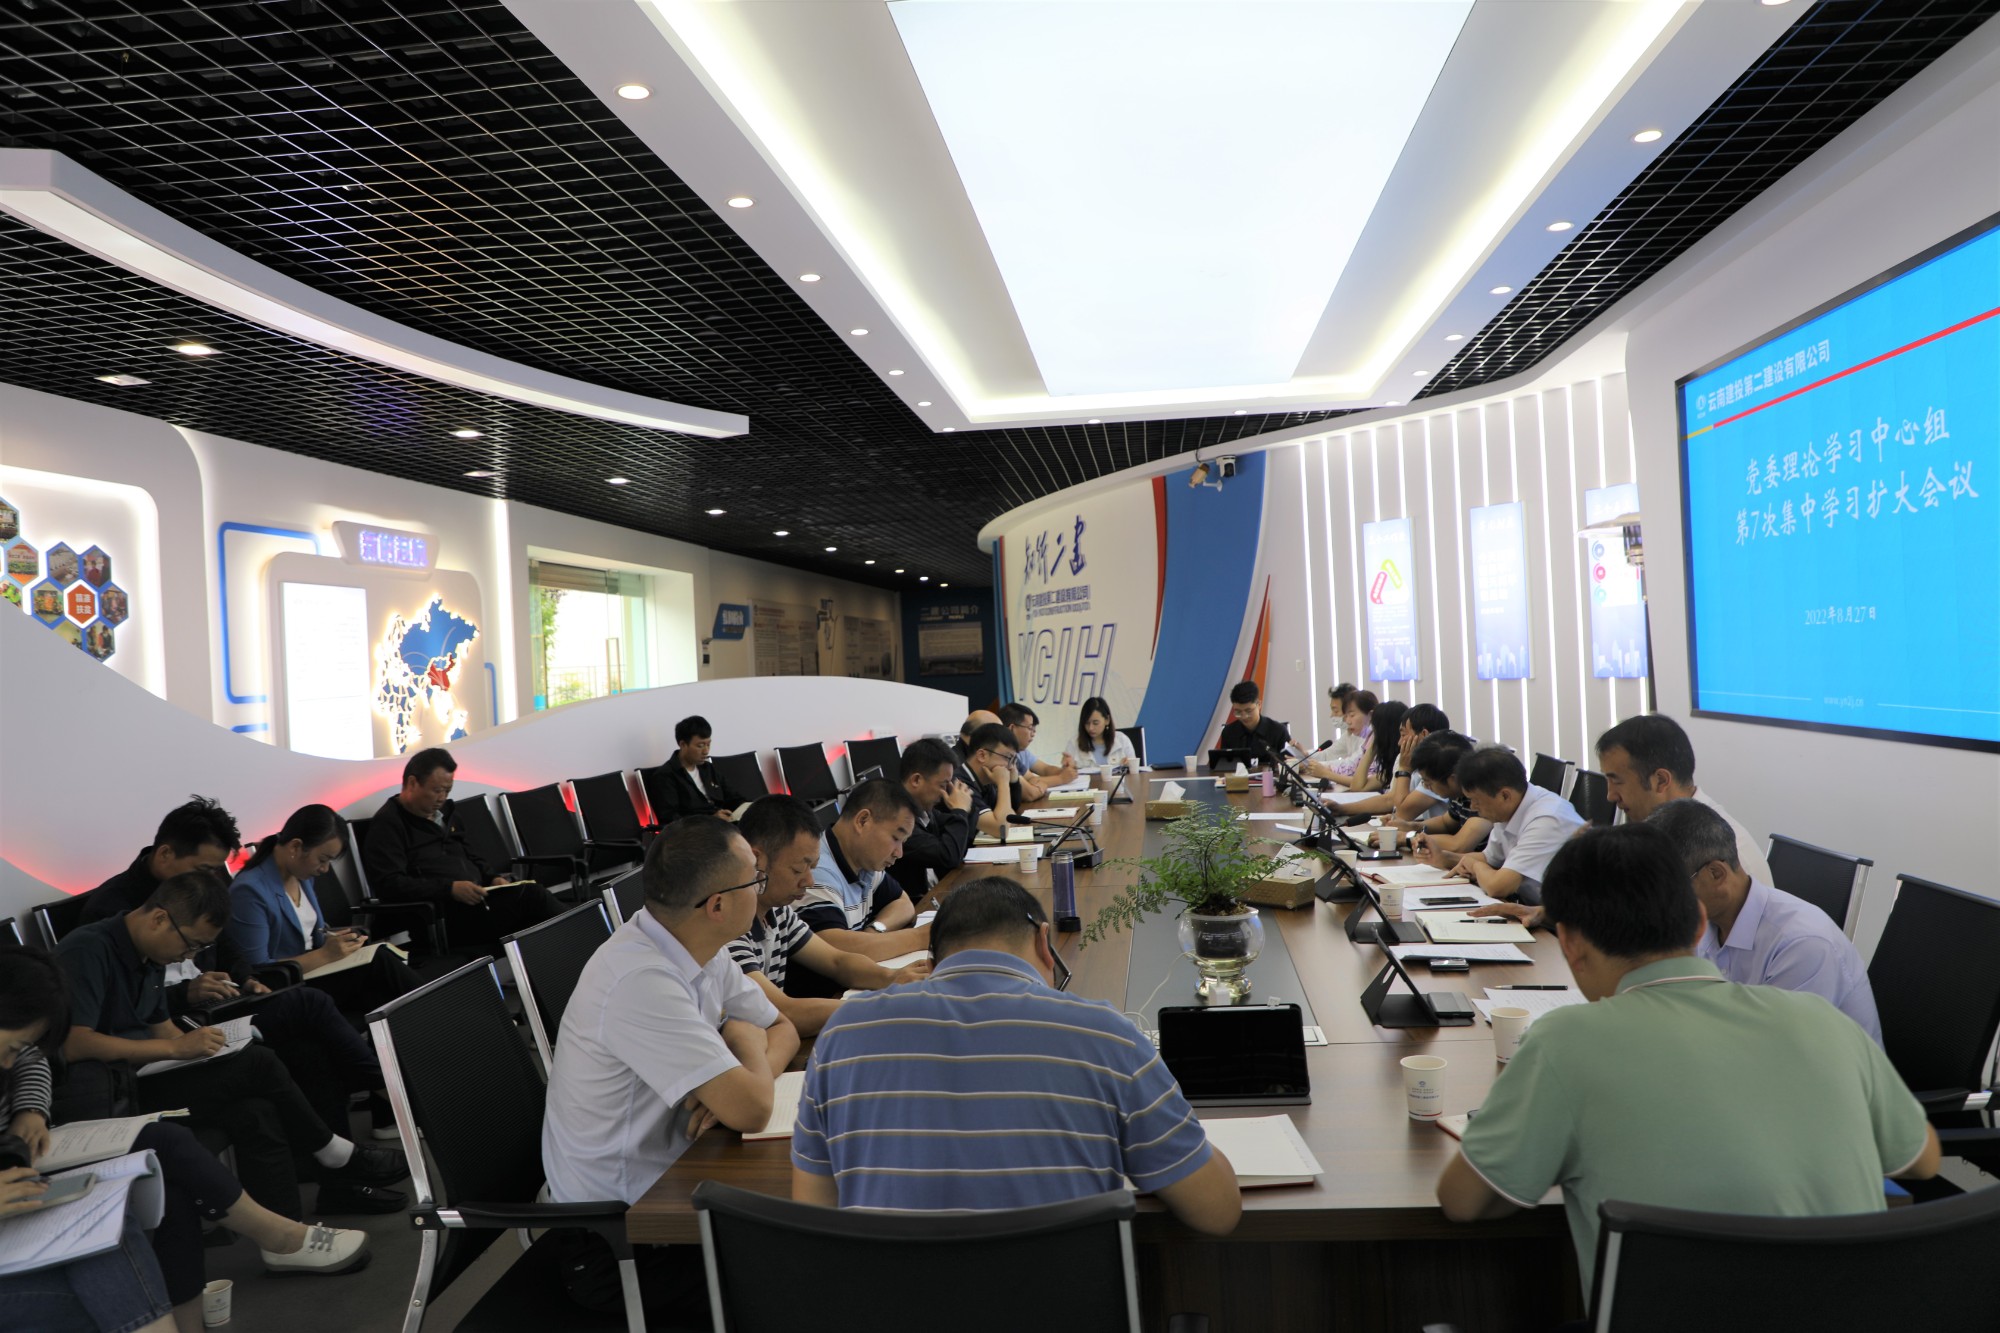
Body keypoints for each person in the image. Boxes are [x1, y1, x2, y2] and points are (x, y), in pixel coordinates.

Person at [1435, 825, 1938, 1295]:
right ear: (1700, 923)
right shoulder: (1821, 1019)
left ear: (1568, 942)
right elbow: (1923, 1160)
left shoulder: (1563, 1042)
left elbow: (1462, 1201)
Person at [791, 877, 1241, 1233]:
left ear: (931, 960)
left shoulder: (843, 1035)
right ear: (1045, 943)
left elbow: (815, 1218)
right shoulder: (1105, 1036)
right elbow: (1218, 1213)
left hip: (890, 1306)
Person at [2, 946, 369, 1332]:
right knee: (164, 1146)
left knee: (171, 1186)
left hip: (24, 1160)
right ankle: (283, 1234)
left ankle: (195, 1317)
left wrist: (30, 1109)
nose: (8, 1064)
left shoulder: (17, 1046)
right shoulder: (92, 951)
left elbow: (29, 1058)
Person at [542, 819, 799, 1320]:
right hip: (620, 1240)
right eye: (755, 879)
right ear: (717, 905)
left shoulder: (694, 943)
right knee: (805, 1273)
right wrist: (745, 1045)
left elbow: (781, 1026)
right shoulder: (640, 979)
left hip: (678, 1179)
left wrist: (746, 1069)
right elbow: (752, 1108)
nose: (762, 888)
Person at [53, 875, 409, 1222]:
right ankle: (335, 1152)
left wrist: (207, 1047)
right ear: (160, 919)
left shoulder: (150, 955)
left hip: (143, 1075)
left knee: (264, 1099)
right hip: (110, 1093)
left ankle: (288, 1234)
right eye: (191, 945)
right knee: (259, 1062)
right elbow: (74, 1043)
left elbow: (162, 1027)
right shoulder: (88, 950)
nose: (187, 956)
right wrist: (176, 1050)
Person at [77, 798, 402, 1152]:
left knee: (309, 1049)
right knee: (309, 1004)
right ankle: (392, 1096)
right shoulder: (112, 913)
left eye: (216, 870)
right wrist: (185, 995)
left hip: (215, 1003)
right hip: (182, 1018)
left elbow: (226, 942)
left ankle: (341, 1161)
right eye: (204, 868)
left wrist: (245, 977)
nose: (211, 879)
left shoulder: (202, 883)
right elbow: (124, 1011)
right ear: (166, 854)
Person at [1649, 799, 1881, 1041]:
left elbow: (1773, 1049)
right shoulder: (1706, 920)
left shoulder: (1803, 946)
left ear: (1716, 874)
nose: (1661, 901)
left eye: (1669, 888)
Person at [730, 797, 930, 1036]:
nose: (809, 881)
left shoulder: (778, 911)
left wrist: (891, 978)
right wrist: (881, 1006)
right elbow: (784, 1011)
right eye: (798, 869)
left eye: (812, 868)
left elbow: (837, 961)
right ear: (756, 860)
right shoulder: (730, 929)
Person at [362, 747, 564, 953]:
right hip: (442, 919)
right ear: (413, 783)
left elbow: (471, 854)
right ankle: (582, 938)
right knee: (533, 897)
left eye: (447, 791)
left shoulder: (447, 814)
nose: (442, 798)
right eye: (436, 790)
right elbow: (390, 885)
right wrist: (449, 889)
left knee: (537, 924)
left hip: (479, 903)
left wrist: (492, 878)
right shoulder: (389, 825)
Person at [227, 804, 420, 1017]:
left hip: (317, 972)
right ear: (295, 847)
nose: (325, 869)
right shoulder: (249, 890)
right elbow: (257, 971)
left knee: (382, 988)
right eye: (323, 860)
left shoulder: (301, 875)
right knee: (381, 966)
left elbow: (311, 934)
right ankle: (436, 1013)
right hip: (287, 987)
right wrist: (326, 954)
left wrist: (338, 940)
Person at [1595, 714, 1773, 884]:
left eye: (1617, 781)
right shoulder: (1650, 828)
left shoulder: (1727, 855)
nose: (1610, 796)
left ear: (1661, 781)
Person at [1417, 748, 1583, 905]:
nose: (1473, 807)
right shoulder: (1509, 808)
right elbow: (1490, 859)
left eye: (1476, 800)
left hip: (1568, 918)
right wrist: (1443, 857)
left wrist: (1475, 866)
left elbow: (1498, 887)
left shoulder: (1547, 818)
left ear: (1504, 795)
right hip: (1533, 909)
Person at [796, 779, 931, 969]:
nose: (899, 853)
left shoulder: (863, 861)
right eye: (895, 838)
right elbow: (836, 949)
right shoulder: (816, 871)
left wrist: (875, 931)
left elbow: (903, 903)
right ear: (862, 821)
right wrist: (920, 937)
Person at [886, 739, 975, 902]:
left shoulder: (923, 809)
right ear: (916, 780)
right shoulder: (897, 818)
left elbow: (966, 837)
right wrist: (960, 811)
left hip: (934, 893)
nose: (946, 792)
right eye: (943, 785)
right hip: (916, 904)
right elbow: (948, 855)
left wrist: (963, 809)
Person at [1332, 702, 1452, 818]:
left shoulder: (1439, 767)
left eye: (1403, 735)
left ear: (1424, 734)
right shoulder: (1411, 760)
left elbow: (1401, 811)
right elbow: (1390, 799)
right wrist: (1341, 808)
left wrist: (1404, 769)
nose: (1399, 742)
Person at [1402, 732, 1491, 856]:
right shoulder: (1459, 793)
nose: (1426, 787)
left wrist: (1406, 837)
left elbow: (1458, 845)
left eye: (1428, 782)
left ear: (1453, 779)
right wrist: (1410, 826)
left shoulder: (1483, 797)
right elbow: (1446, 824)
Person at [650, 715, 746, 824]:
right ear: (683, 744)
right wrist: (711, 819)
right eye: (700, 746)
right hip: (698, 831)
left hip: (723, 825)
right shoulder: (665, 776)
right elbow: (671, 819)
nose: (706, 751)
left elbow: (733, 798)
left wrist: (748, 808)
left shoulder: (708, 768)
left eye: (708, 744)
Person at [1323, 699, 1407, 796]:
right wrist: (1372, 749)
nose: (1373, 734)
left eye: (1376, 730)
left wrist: (1372, 747)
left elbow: (1357, 787)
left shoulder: (1401, 760)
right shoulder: (1388, 763)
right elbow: (1357, 786)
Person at [958, 719, 1022, 839]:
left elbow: (1010, 815)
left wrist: (1011, 782)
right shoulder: (960, 785)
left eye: (1013, 760)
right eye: (1008, 758)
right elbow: (1001, 830)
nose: (1010, 767)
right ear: (982, 755)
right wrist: (1003, 783)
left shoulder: (987, 782)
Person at [998, 703, 1076, 789]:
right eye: (1030, 728)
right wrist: (1061, 779)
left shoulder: (1023, 752)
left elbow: (1044, 769)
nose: (1033, 734)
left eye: (1034, 730)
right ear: (1012, 728)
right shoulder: (1002, 756)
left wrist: (1065, 771)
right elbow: (1028, 784)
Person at [1306, 689, 1376, 781]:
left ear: (1370, 715)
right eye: (1346, 716)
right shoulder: (1358, 735)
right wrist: (1310, 762)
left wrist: (1320, 769)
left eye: (1352, 715)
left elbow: (1351, 765)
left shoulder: (1375, 738)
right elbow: (1350, 766)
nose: (1348, 721)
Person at [1216, 680, 1289, 760]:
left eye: (1248, 711)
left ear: (1259, 704)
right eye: (1238, 712)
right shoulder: (1228, 733)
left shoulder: (1278, 731)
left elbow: (1290, 763)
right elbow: (1224, 764)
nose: (1244, 716)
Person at [1062, 696, 1137, 768]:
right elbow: (1065, 774)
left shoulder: (1122, 740)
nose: (1091, 728)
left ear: (1107, 720)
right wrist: (1068, 767)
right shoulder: (1074, 744)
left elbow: (1135, 770)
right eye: (1087, 723)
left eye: (1095, 723)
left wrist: (1129, 765)